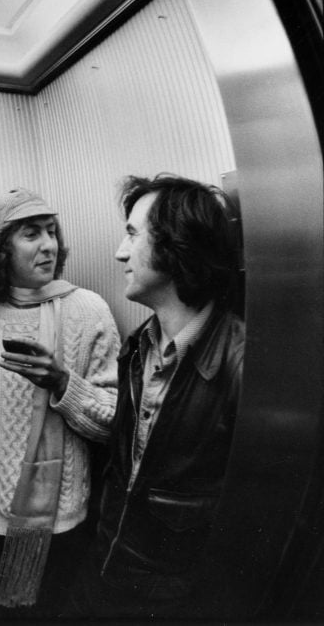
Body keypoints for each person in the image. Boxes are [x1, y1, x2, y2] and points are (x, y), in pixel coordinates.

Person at [0, 187, 120, 616]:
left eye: (52, 232)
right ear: (0, 249)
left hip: (67, 530)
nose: (49, 245)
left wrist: (62, 383)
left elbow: (113, 423)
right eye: (31, 234)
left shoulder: (90, 310)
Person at [71, 174, 244, 617]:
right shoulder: (137, 346)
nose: (119, 252)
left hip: (176, 603)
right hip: (107, 576)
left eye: (132, 233)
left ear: (177, 243)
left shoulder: (242, 363)